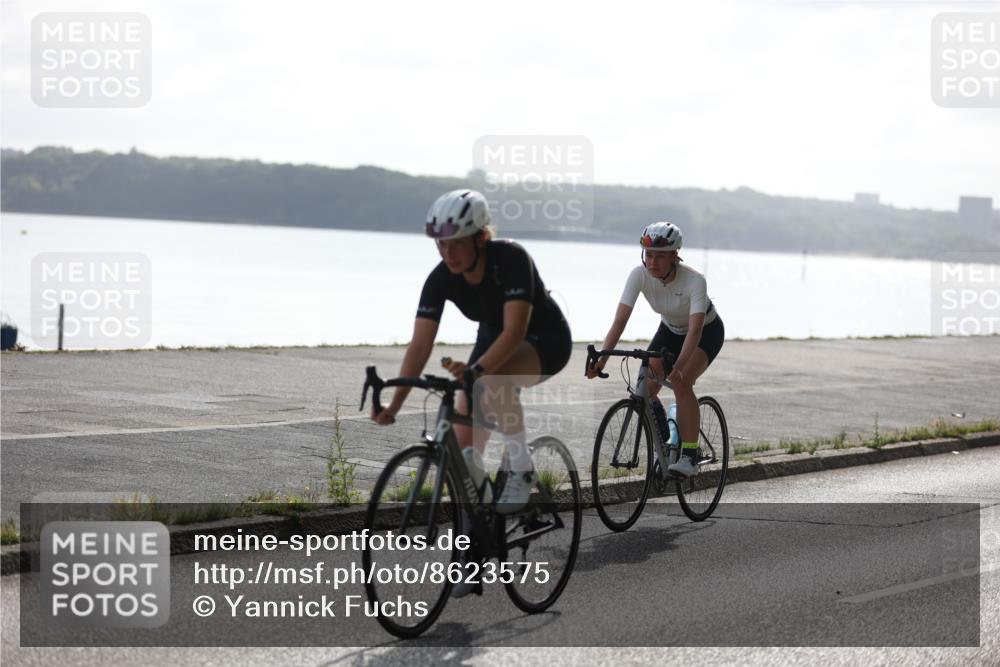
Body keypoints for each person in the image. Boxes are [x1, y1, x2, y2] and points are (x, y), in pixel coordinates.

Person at [371, 188, 573, 513]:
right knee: (463, 456)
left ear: (481, 238)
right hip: (493, 339)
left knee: (491, 383)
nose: (447, 253)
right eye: (441, 244)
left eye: (456, 243)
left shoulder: (511, 258)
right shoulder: (441, 278)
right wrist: (394, 404)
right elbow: (420, 345)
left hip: (544, 338)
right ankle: (482, 525)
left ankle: (522, 470)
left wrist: (476, 371)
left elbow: (515, 331)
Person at [586, 221, 724, 477]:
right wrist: (602, 360)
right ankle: (665, 447)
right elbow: (620, 321)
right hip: (669, 330)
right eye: (648, 255)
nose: (652, 262)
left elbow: (695, 331)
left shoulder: (694, 280)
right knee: (644, 389)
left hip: (706, 332)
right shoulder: (639, 275)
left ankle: (689, 455)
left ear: (674, 256)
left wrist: (679, 367)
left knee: (682, 383)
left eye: (660, 256)